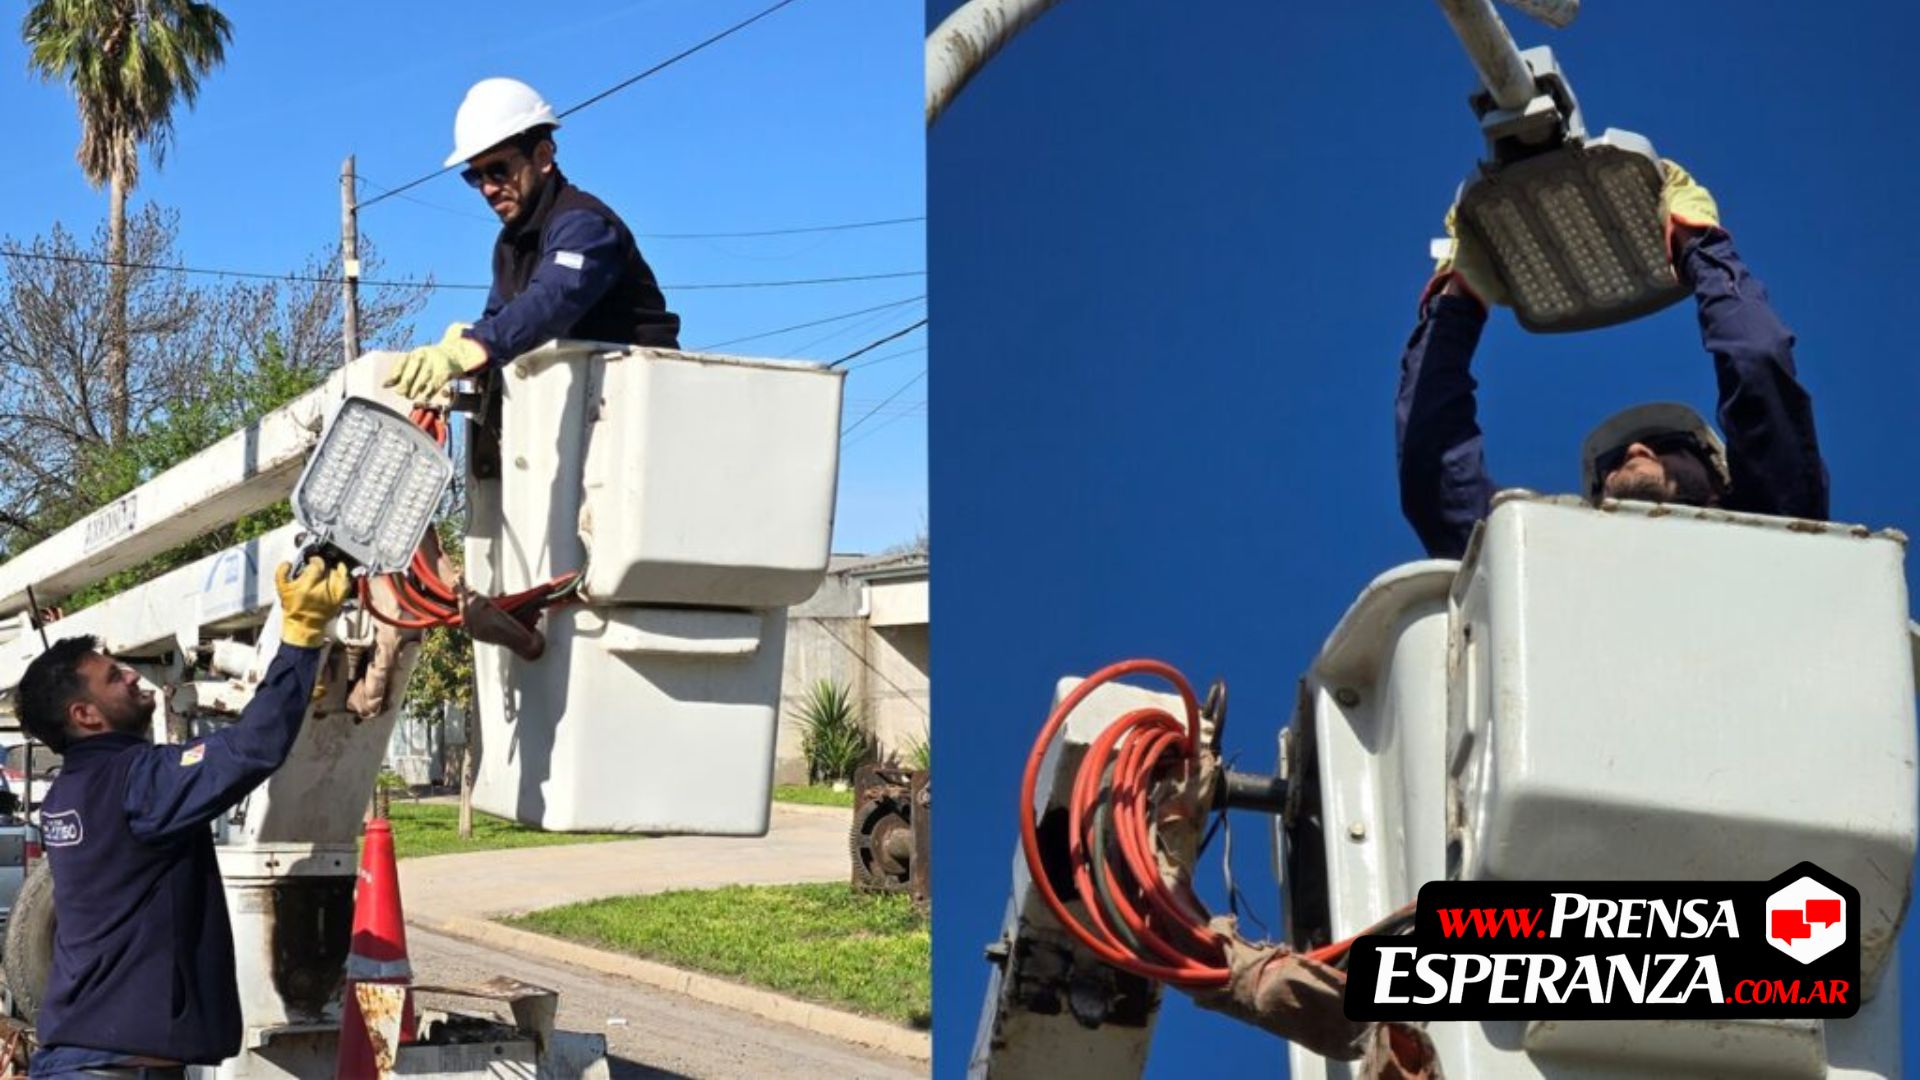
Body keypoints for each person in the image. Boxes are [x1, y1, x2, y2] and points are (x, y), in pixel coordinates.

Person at [1395, 161, 1829, 560]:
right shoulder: (1546, 572)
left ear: (1722, 478)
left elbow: (1757, 362)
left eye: (1671, 446)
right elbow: (1431, 468)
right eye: (1611, 463)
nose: (1636, 450)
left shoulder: (1776, 533)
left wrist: (1698, 241)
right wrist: (1460, 297)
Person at [20, 558, 351, 1079]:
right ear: (84, 715)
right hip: (115, 1071)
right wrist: (302, 639)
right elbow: (250, 750)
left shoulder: (70, 791)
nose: (131, 673)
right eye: (113, 675)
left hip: (86, 1058)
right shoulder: (134, 782)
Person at [385, 77, 681, 406]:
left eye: (497, 170)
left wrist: (476, 345)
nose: (487, 188)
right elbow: (502, 318)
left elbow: (553, 298)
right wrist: (467, 342)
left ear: (542, 156)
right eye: (475, 176)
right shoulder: (510, 244)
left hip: (644, 403)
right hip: (577, 407)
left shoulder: (585, 225)